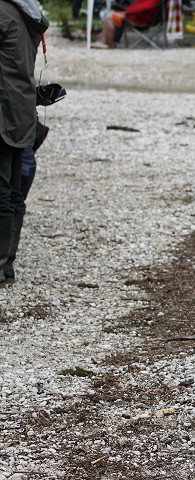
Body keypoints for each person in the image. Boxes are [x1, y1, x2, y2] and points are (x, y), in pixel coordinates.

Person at [0, 0, 49, 285]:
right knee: (13, 189)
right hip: (21, 113)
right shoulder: (23, 10)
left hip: (4, 114)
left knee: (3, 190)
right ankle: (7, 265)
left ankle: (2, 265)